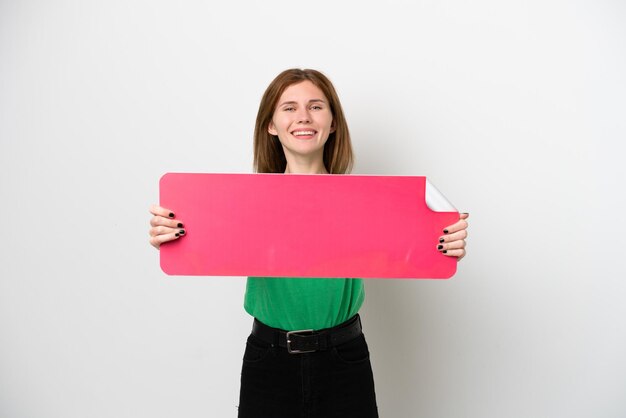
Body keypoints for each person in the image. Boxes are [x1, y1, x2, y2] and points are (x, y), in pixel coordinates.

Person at [148, 68, 469, 418]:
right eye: (289, 108)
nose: (303, 116)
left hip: (343, 359)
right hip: (268, 360)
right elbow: (199, 233)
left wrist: (445, 242)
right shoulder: (244, 202)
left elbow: (420, 243)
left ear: (332, 123)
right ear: (271, 125)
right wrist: (173, 234)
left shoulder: (367, 202)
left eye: (316, 106)